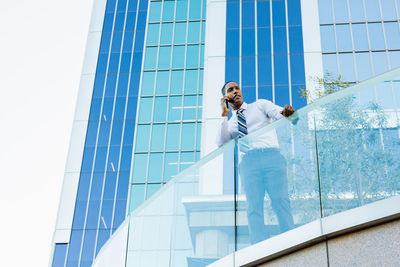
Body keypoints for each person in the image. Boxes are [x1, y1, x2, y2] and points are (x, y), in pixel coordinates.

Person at [217, 81, 295, 245]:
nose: (236, 91)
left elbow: (279, 113)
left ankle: (291, 242)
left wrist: (287, 114)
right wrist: (224, 116)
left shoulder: (260, 105)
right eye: (231, 90)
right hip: (249, 163)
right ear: (226, 98)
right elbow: (221, 142)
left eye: (237, 88)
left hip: (271, 157)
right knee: (253, 207)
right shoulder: (230, 124)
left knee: (280, 200)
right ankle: (259, 247)